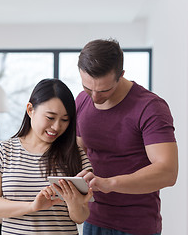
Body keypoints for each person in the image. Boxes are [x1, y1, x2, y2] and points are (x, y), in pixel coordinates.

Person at [75, 39, 178, 235]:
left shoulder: (150, 107)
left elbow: (168, 171)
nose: (95, 97)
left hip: (137, 225)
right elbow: (79, 153)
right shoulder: (81, 100)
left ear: (121, 75)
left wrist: (109, 183)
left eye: (104, 90)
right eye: (88, 88)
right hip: (93, 219)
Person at [0, 78, 93, 234]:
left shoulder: (76, 155)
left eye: (64, 120)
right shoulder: (2, 151)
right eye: (50, 117)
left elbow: (80, 217)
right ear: (30, 110)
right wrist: (32, 206)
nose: (56, 127)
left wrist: (74, 203)